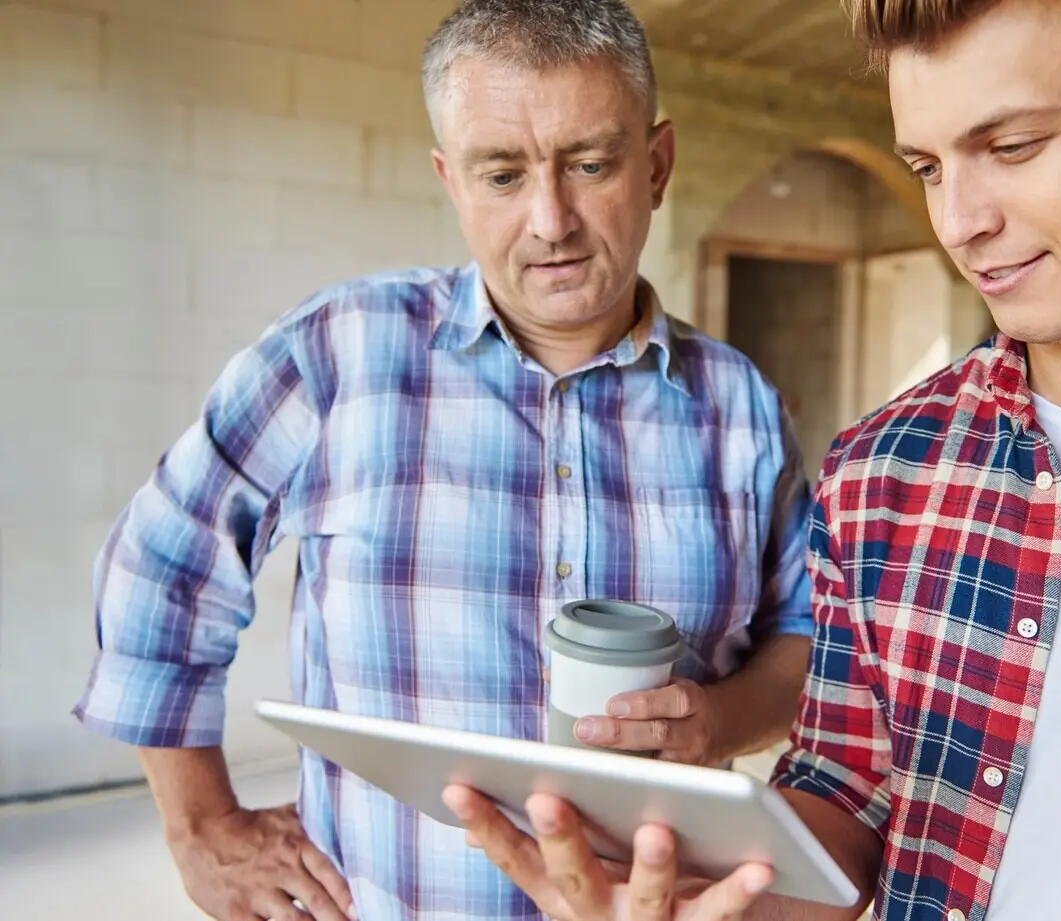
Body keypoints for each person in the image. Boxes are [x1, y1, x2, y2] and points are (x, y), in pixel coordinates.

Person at [444, 1, 1061, 920]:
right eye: (929, 167)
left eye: (1012, 147)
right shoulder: (880, 471)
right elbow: (845, 794)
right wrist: (699, 901)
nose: (959, 221)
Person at [71, 2, 815, 920]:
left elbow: (810, 639)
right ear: (451, 182)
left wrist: (721, 722)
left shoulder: (743, 408)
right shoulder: (338, 352)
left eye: (590, 164)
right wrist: (200, 827)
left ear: (656, 165)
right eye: (502, 174)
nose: (551, 220)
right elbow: (159, 568)